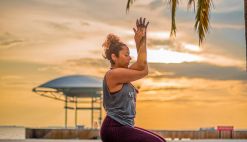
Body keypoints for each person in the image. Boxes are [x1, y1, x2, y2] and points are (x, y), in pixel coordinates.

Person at [100, 17, 166, 142]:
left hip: (123, 126)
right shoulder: (112, 75)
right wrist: (140, 41)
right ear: (114, 57)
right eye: (126, 55)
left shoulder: (124, 74)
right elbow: (142, 65)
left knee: (160, 140)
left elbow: (144, 70)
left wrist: (142, 40)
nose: (130, 58)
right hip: (114, 127)